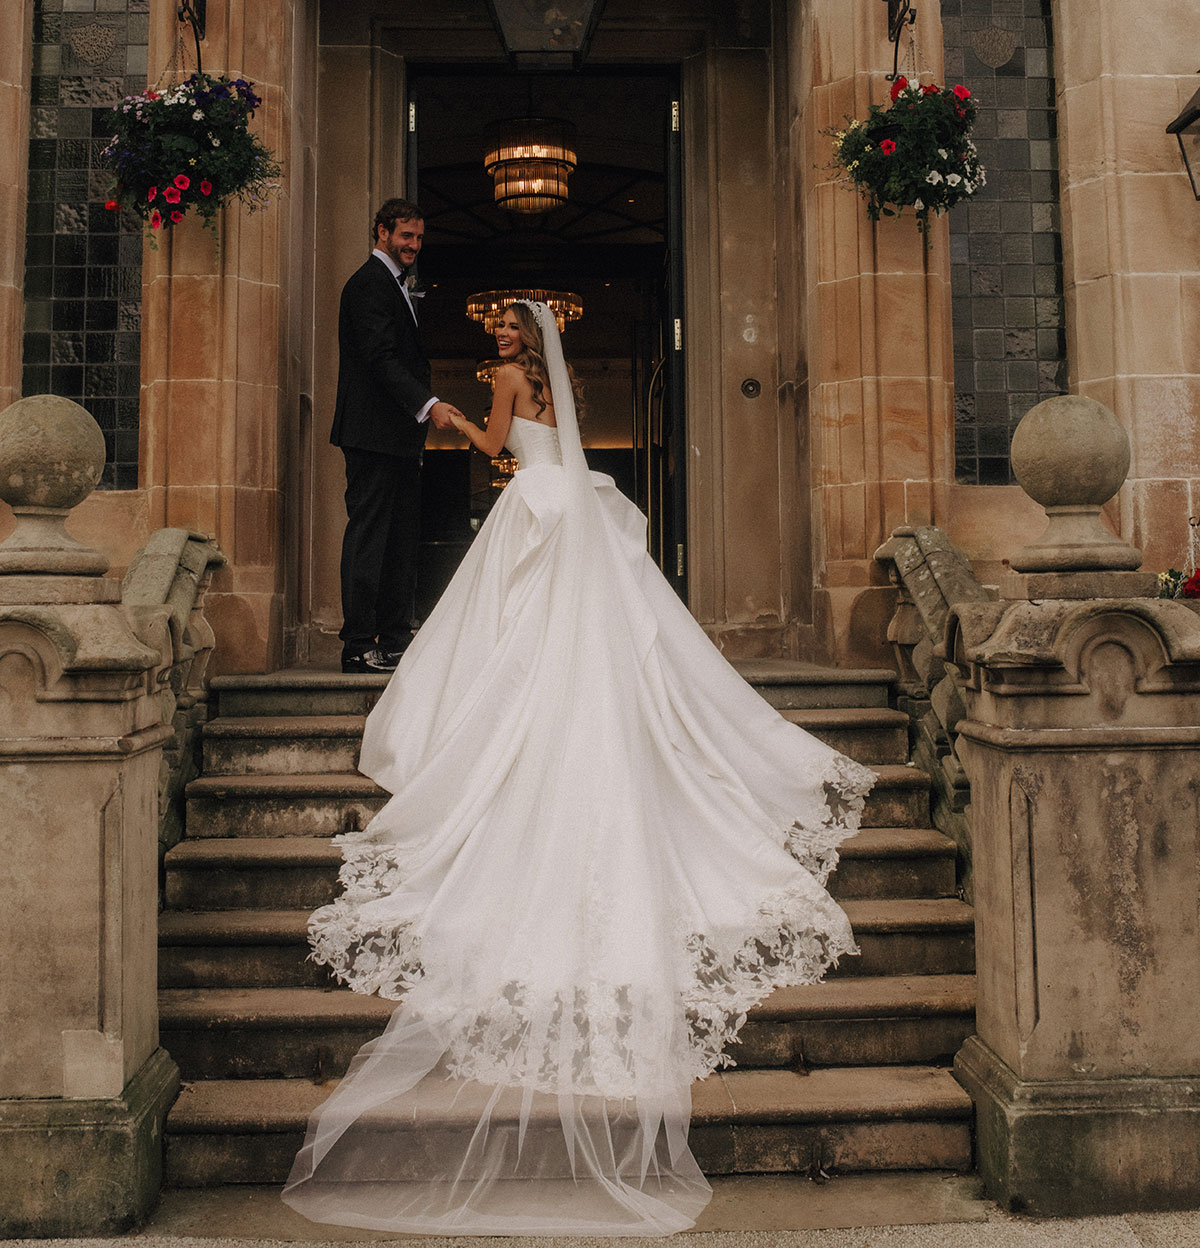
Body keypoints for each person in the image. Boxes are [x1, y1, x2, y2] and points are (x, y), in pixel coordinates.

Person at [285, 300, 874, 1234]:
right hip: (574, 502)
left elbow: (493, 450)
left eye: (513, 333)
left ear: (528, 343)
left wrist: (449, 413)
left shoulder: (506, 384)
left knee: (516, 631)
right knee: (579, 634)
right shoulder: (563, 387)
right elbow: (545, 443)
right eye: (507, 335)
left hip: (535, 503)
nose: (506, 344)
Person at [330, 198, 457, 674]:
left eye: (419, 238)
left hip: (399, 435)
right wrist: (428, 404)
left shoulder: (396, 284)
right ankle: (359, 645)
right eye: (406, 236)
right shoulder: (367, 284)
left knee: (401, 538)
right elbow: (380, 358)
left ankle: (397, 638)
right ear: (381, 232)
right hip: (371, 432)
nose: (414, 246)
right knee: (370, 537)